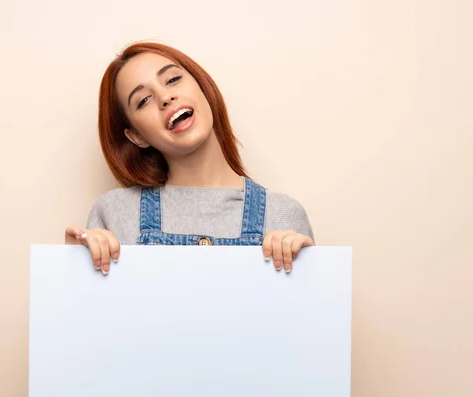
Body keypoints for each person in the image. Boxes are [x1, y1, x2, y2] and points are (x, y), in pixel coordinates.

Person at [65, 42, 315, 275]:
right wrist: (70, 267)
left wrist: (306, 271)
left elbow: (306, 318)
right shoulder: (113, 212)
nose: (165, 98)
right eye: (143, 101)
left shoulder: (284, 215)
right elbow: (92, 318)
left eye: (172, 79)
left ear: (202, 87)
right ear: (137, 137)